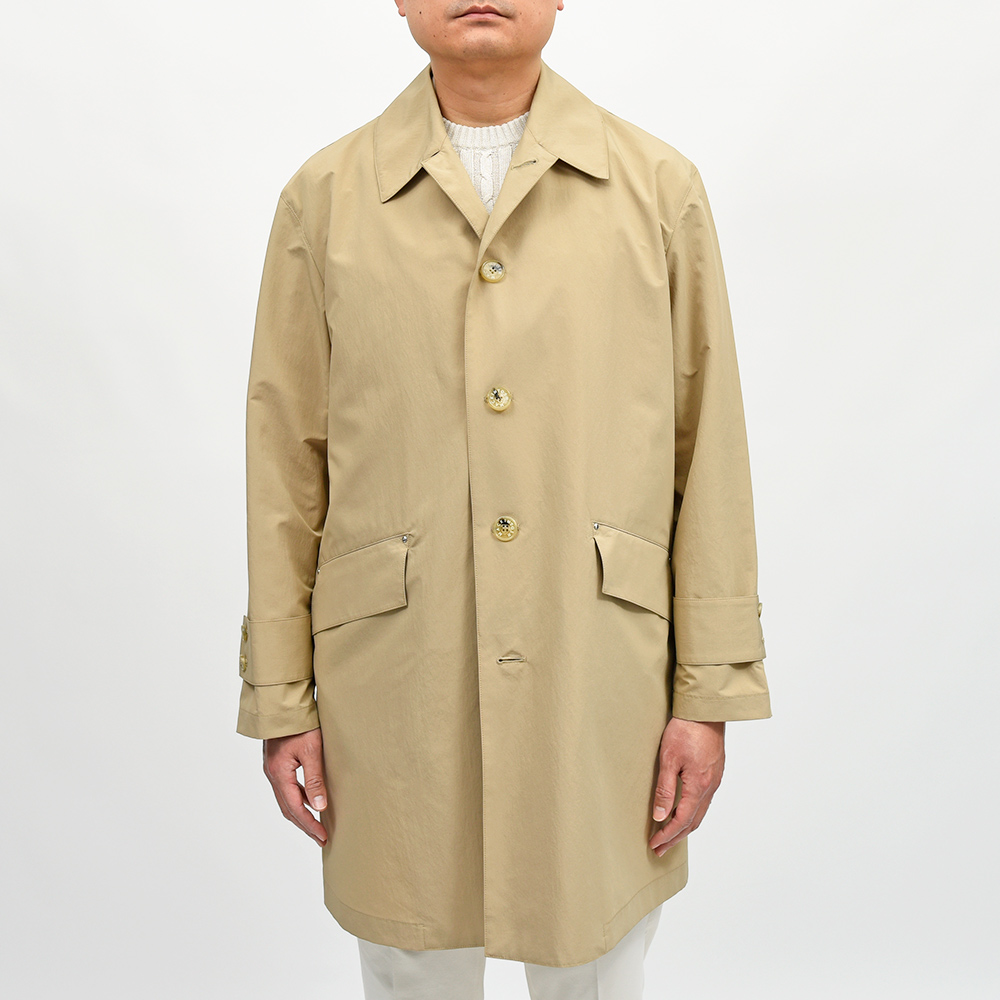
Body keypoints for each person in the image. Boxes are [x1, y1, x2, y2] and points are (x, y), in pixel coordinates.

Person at [236, 2, 772, 997]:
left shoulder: (659, 190)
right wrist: (280, 694)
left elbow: (709, 448)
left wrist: (710, 689)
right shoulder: (325, 199)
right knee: (411, 963)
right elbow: (284, 464)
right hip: (393, 670)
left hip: (601, 665)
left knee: (597, 962)